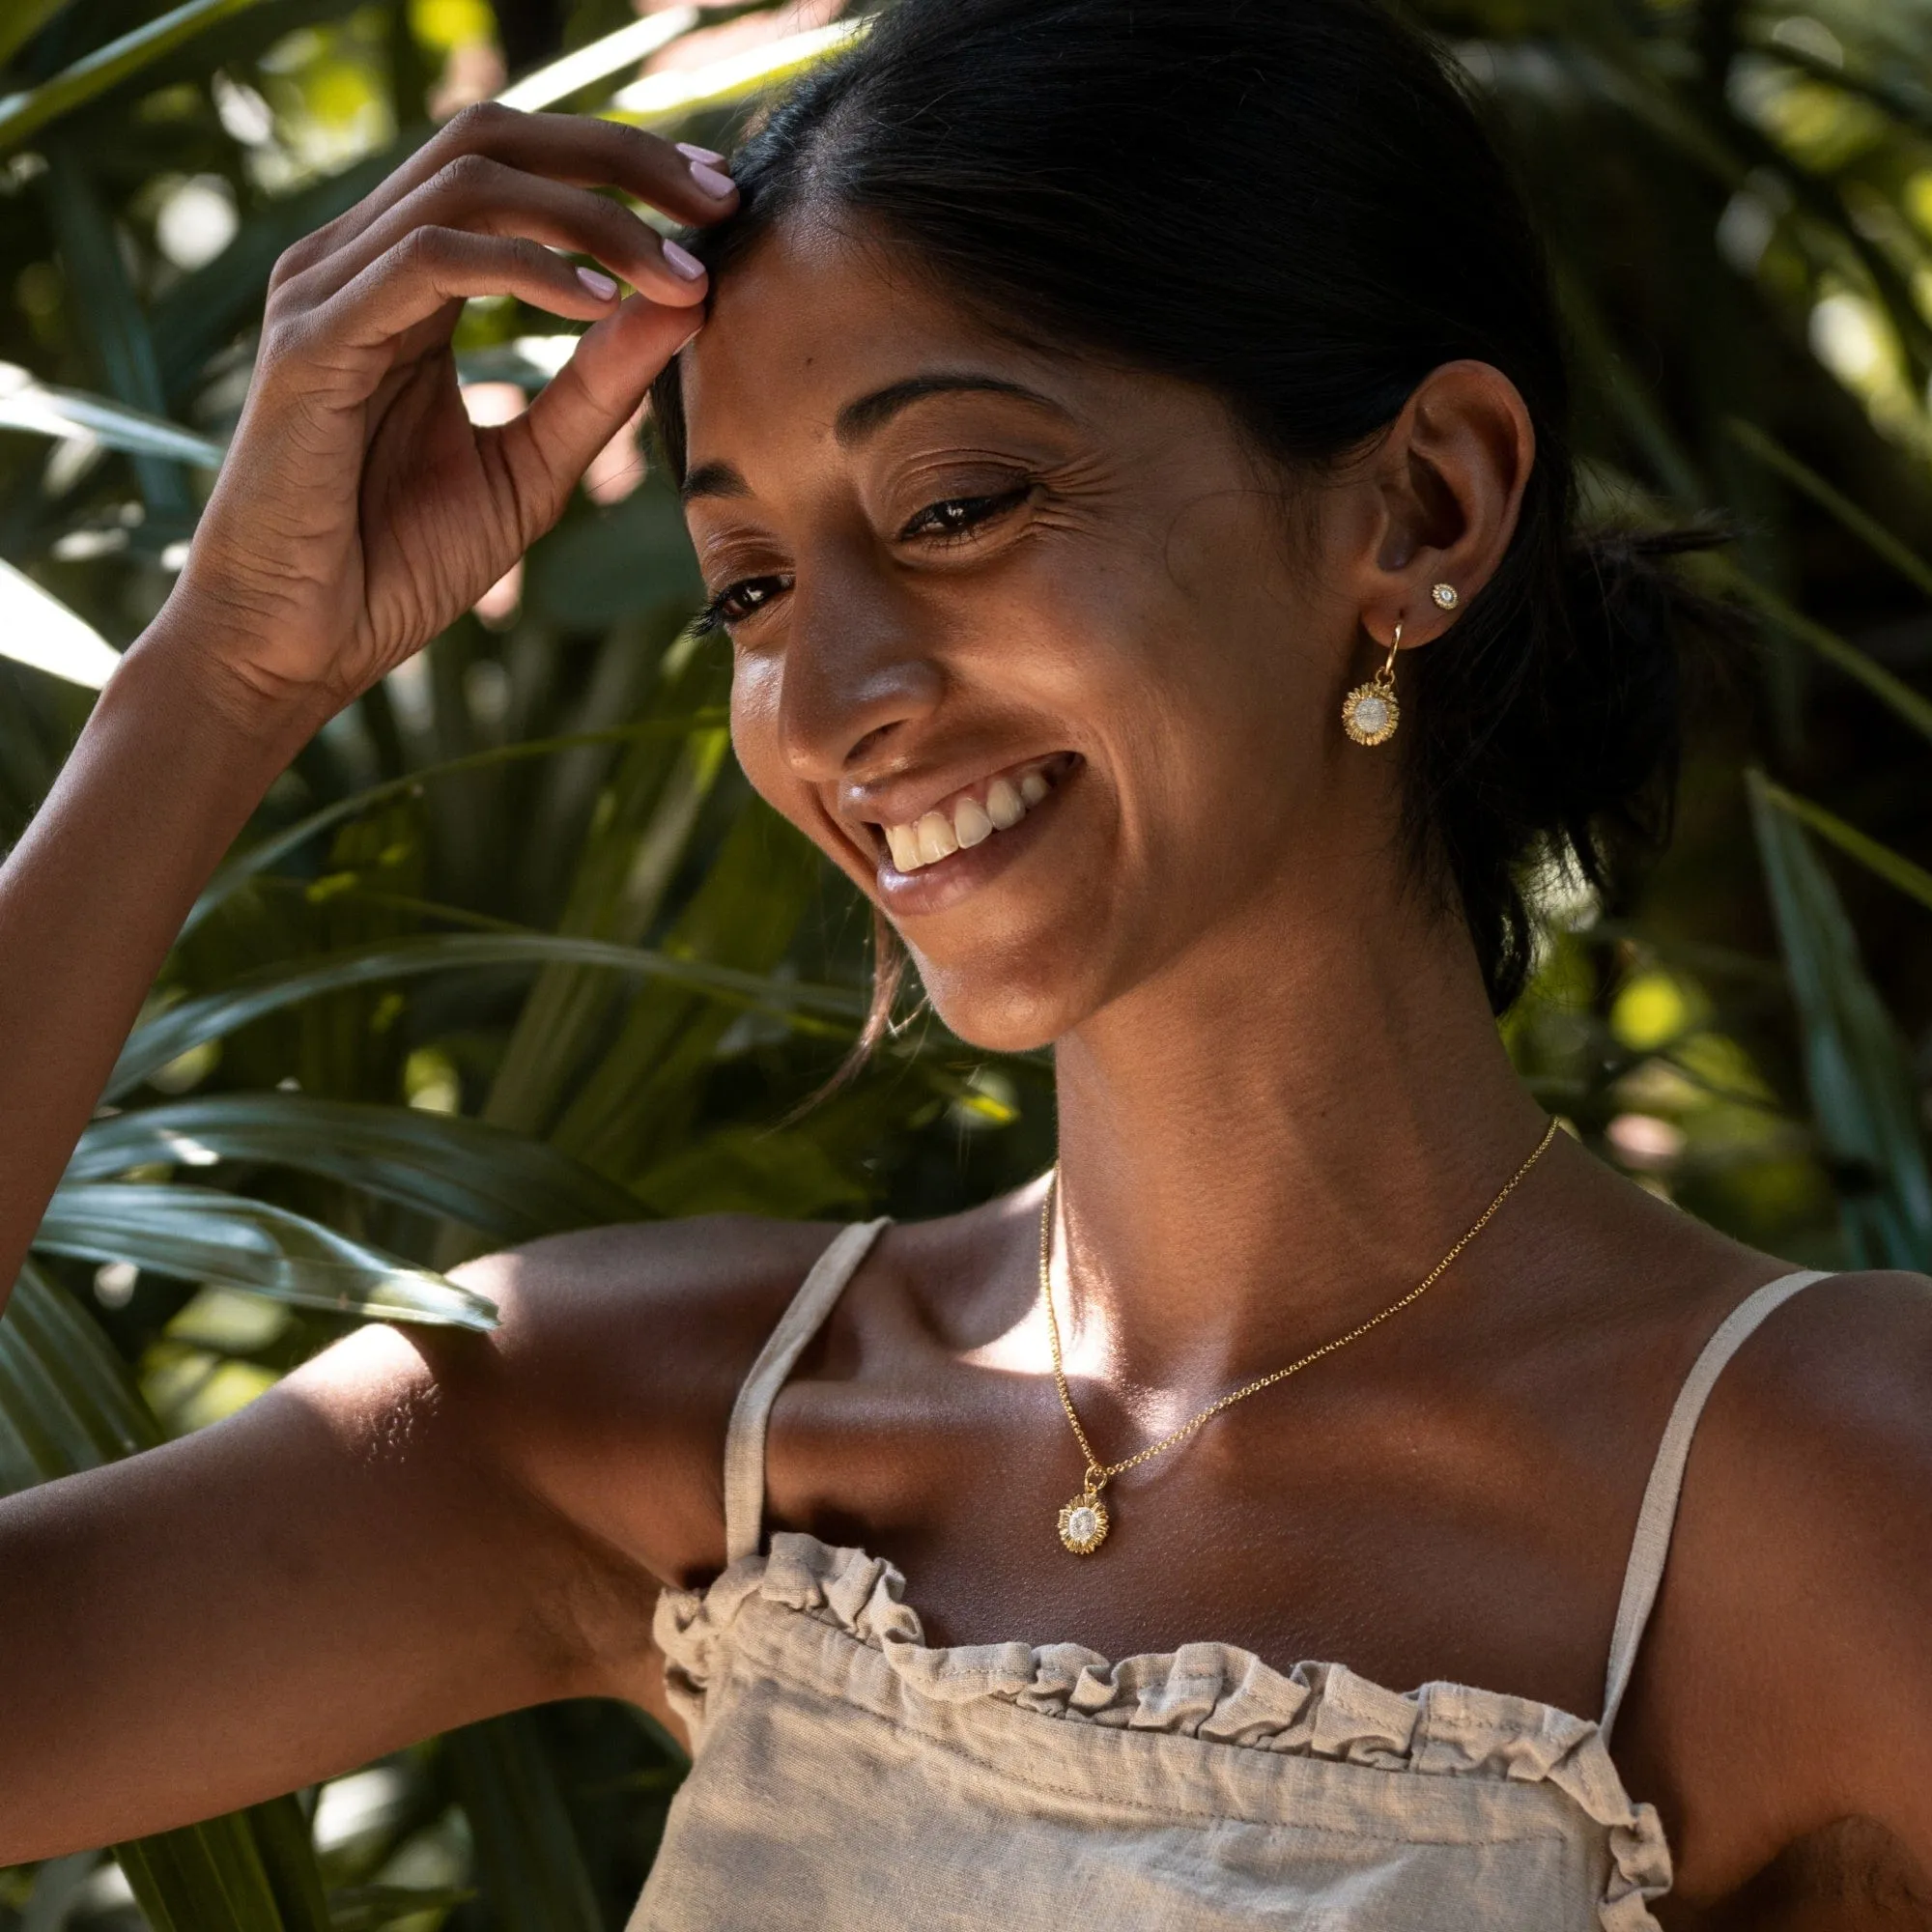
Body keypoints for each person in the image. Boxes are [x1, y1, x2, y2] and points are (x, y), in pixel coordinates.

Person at [1, 0, 1929, 1924]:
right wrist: (220, 672)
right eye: (746, 587)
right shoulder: (652, 1418)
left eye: (954, 505)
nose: (830, 705)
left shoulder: (1822, 1486)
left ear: (1425, 500)